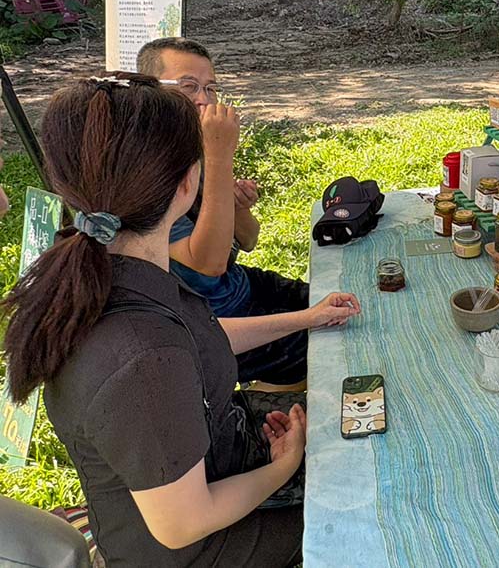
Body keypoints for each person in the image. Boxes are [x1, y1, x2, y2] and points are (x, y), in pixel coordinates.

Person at [1, 75, 360, 566]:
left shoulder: (109, 272)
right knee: (370, 501)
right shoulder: (140, 353)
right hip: (201, 545)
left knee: (355, 422)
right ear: (188, 184)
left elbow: (199, 337)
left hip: (220, 456)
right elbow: (183, 524)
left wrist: (306, 318)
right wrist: (285, 465)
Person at [136, 38, 312, 386]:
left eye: (211, 88)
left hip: (240, 287)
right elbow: (208, 266)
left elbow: (249, 239)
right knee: (323, 344)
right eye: (188, 86)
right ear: (151, 91)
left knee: (337, 300)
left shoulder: (191, 151)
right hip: (212, 322)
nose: (204, 99)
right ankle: (270, 399)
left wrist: (235, 204)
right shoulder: (146, 171)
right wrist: (220, 156)